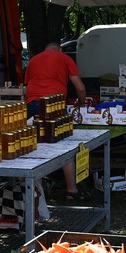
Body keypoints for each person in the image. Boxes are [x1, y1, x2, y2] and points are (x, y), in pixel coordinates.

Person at [24, 41, 88, 200]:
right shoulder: (64, 58)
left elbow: (27, 85)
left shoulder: (33, 60)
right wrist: (81, 101)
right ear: (59, 49)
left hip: (32, 104)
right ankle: (71, 191)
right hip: (54, 104)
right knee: (62, 144)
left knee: (34, 147)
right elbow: (79, 87)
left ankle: (37, 194)